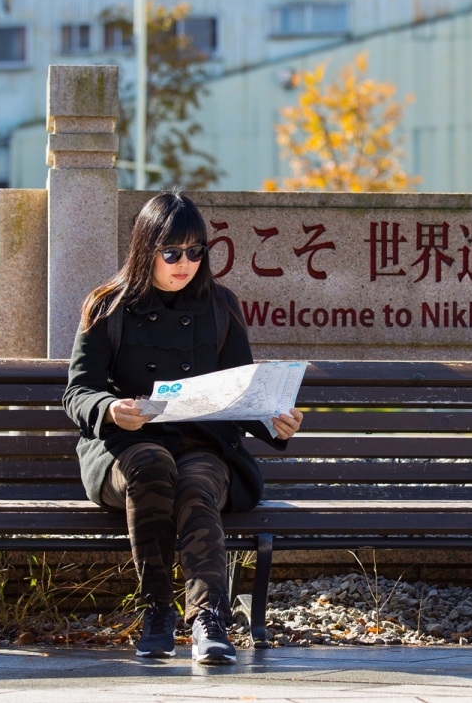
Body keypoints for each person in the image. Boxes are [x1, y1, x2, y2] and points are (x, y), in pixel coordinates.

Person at [63, 191, 302, 665]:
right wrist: (111, 409)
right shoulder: (107, 306)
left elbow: (241, 393)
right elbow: (78, 392)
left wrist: (276, 421)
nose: (185, 263)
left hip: (203, 446)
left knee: (194, 483)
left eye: (196, 252)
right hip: (126, 448)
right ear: (145, 248)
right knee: (152, 462)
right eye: (172, 252)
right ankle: (156, 610)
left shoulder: (220, 306)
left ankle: (207, 620)